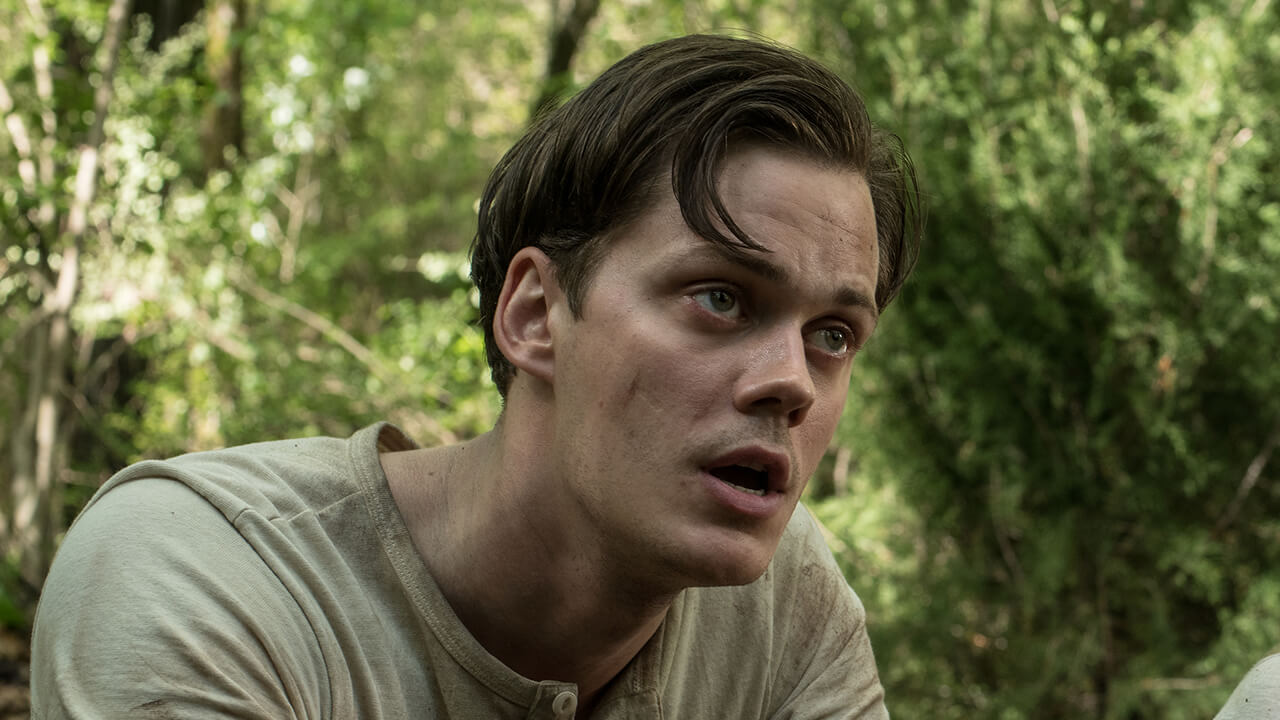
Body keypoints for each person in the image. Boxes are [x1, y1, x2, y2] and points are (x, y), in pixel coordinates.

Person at [31, 34, 921, 718]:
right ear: (534, 315)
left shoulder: (783, 603)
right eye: (720, 298)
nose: (793, 382)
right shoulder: (205, 579)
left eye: (833, 335)